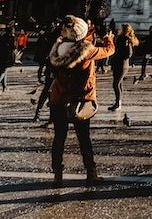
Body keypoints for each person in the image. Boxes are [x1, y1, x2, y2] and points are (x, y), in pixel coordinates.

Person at [47, 15, 115, 187]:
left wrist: (86, 32)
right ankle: (91, 173)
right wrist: (109, 39)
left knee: (59, 138)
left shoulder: (58, 48)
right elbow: (108, 50)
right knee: (84, 139)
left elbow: (75, 38)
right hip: (79, 102)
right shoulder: (88, 51)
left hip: (58, 100)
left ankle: (57, 174)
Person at [107, 23, 138, 111]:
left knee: (116, 84)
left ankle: (118, 103)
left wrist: (119, 57)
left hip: (121, 64)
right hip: (119, 64)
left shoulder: (125, 39)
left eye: (120, 28)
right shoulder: (122, 38)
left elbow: (129, 53)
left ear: (124, 30)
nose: (118, 29)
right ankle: (118, 102)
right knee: (119, 83)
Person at [0, 25, 18, 92]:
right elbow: (14, 47)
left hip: (1, 56)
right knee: (3, 71)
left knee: (4, 71)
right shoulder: (12, 38)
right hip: (8, 57)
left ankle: (5, 86)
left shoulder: (2, 37)